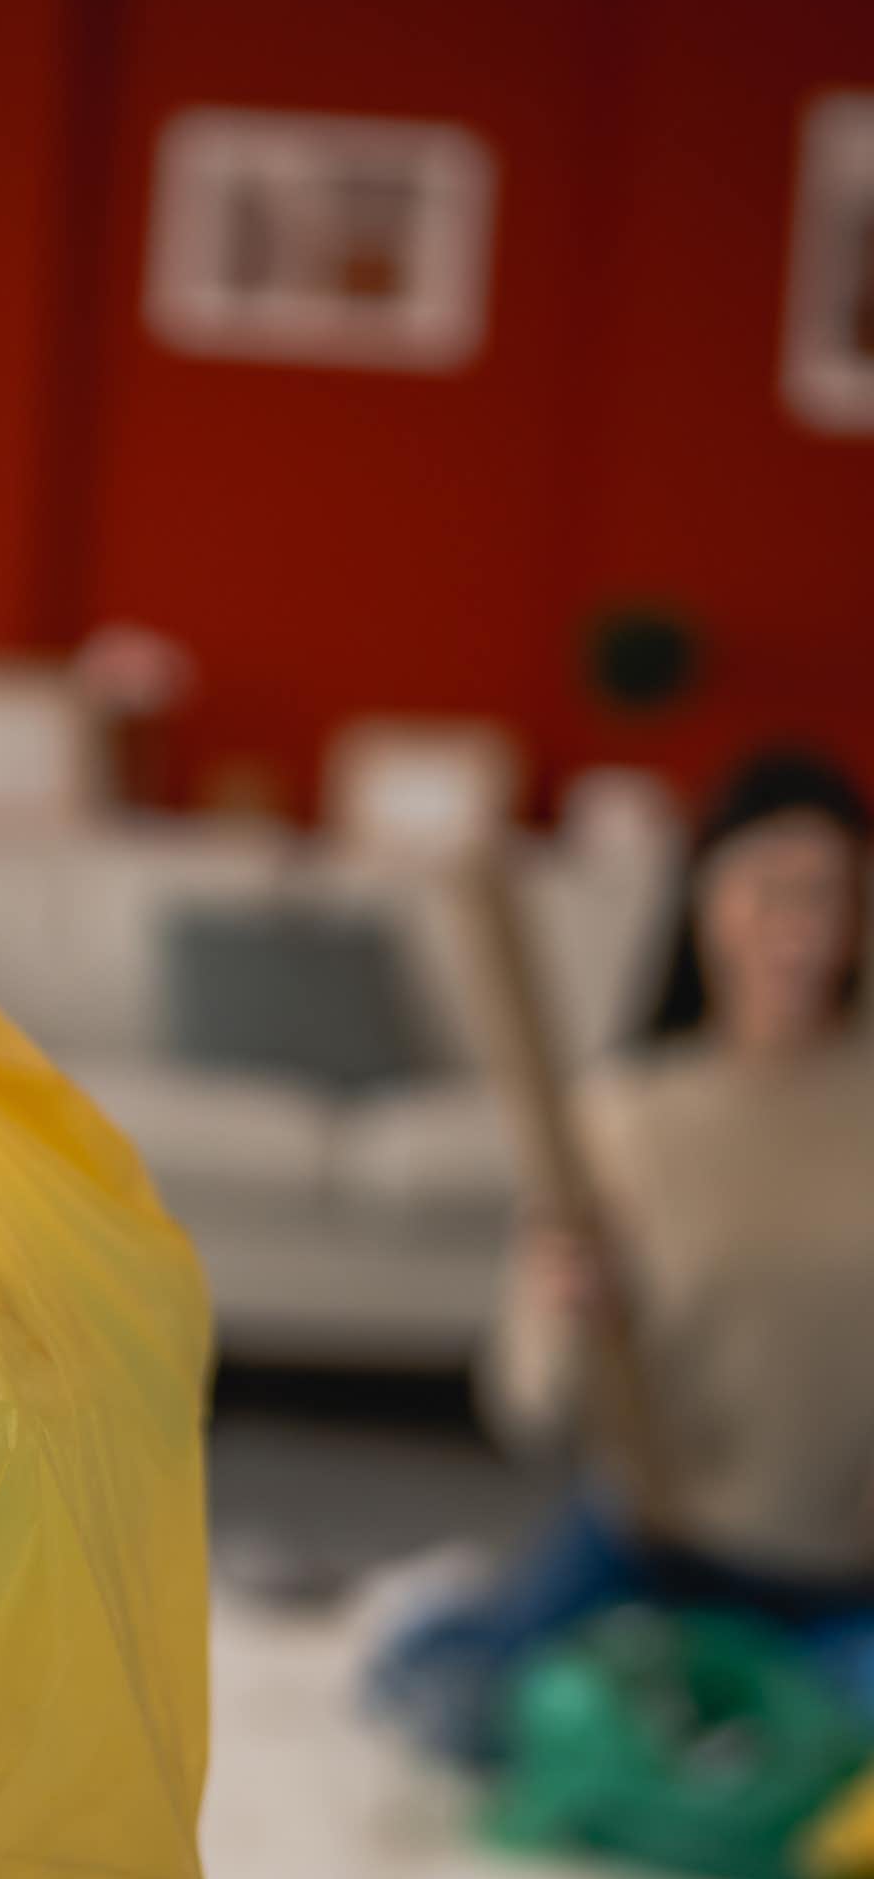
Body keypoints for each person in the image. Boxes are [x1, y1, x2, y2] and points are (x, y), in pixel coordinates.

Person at [375, 750, 874, 1763]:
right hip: (656, 1541)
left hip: (843, 1570)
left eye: (827, 892)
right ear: (704, 902)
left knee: (814, 1763)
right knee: (466, 1710)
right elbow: (523, 1408)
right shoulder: (626, 1116)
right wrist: (565, 1314)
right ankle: (469, 1620)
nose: (798, 924)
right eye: (766, 888)